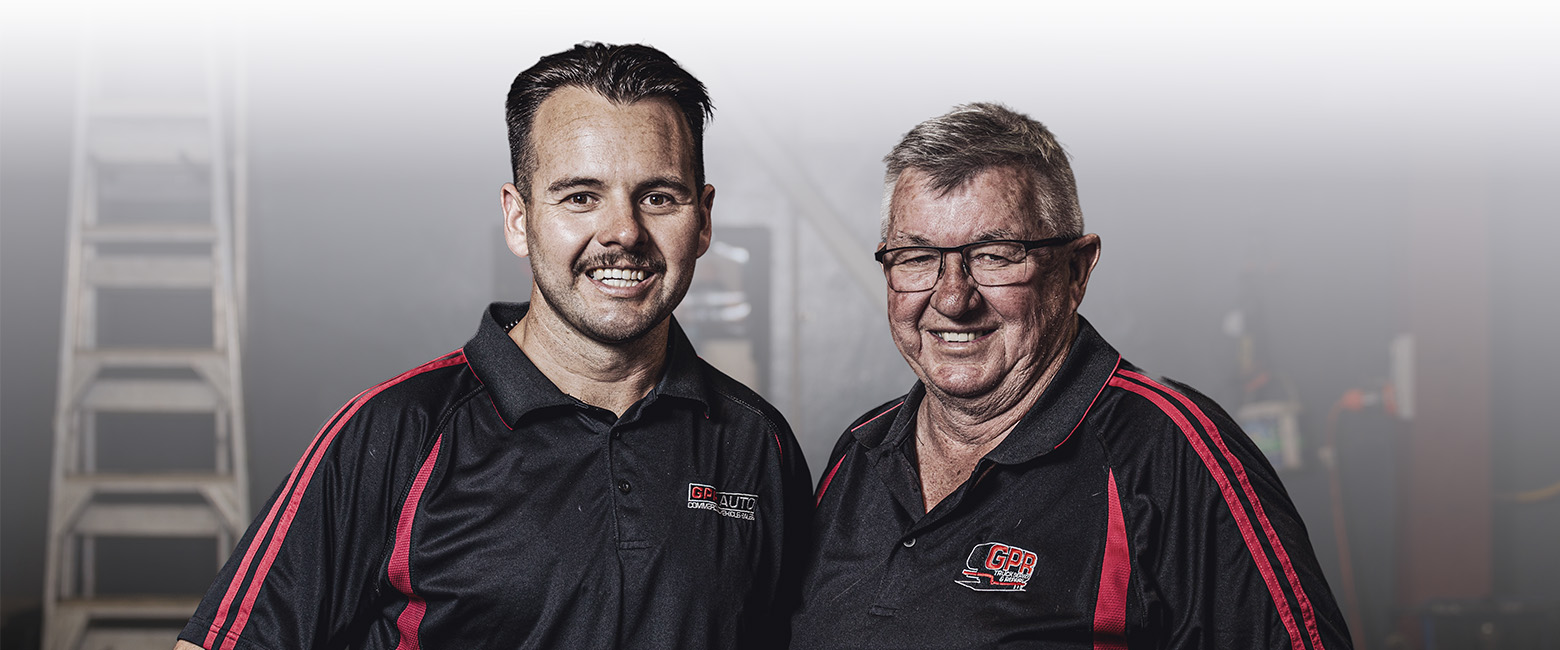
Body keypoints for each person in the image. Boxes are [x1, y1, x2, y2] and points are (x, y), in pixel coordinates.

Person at [175, 43, 811, 650]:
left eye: (658, 197)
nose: (622, 231)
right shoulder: (396, 434)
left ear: (702, 220)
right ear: (518, 217)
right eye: (581, 197)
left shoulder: (759, 444)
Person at [790, 103, 1351, 649]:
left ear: (1076, 270)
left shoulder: (1173, 455)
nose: (953, 297)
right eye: (916, 257)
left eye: (995, 254)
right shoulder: (860, 452)